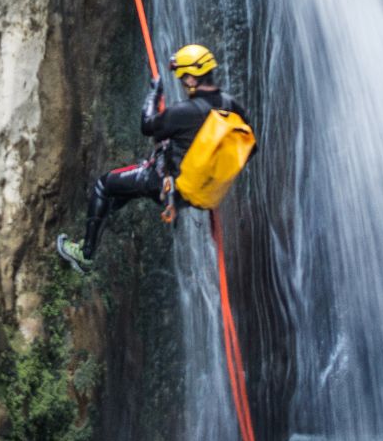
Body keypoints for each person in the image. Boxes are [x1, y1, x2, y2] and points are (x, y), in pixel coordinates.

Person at [56, 43, 252, 273]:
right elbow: (245, 146)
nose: (181, 81)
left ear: (191, 79)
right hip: (199, 192)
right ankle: (100, 216)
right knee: (127, 187)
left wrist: (154, 92)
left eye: (182, 77)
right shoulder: (232, 105)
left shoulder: (183, 112)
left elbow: (147, 125)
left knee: (104, 185)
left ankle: (85, 255)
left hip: (166, 185)